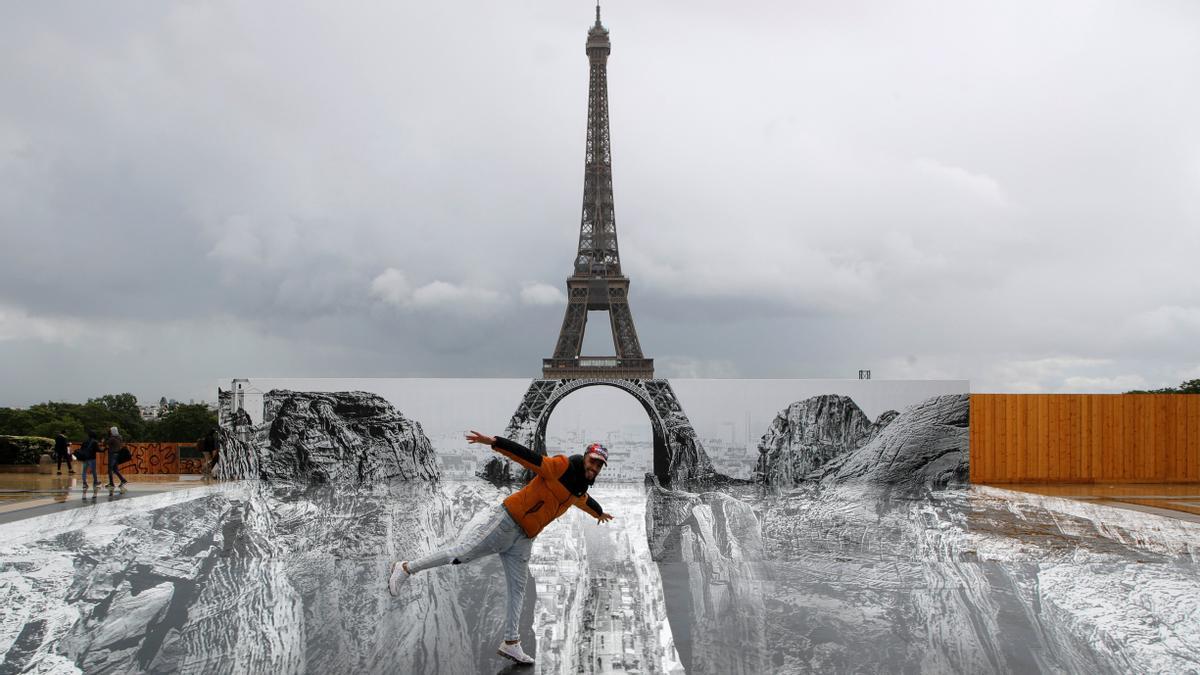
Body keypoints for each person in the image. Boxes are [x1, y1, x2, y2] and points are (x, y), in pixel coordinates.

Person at [387, 431, 614, 666]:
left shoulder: (578, 487)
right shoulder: (561, 466)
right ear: (586, 456)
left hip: (525, 539)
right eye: (593, 461)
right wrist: (495, 443)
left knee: (518, 590)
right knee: (460, 554)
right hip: (507, 522)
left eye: (599, 465)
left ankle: (511, 642)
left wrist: (599, 513)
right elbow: (528, 457)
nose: (595, 467)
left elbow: (583, 500)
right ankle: (405, 568)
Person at [105, 426, 128, 491]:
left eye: (111, 431)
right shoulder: (120, 437)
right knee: (115, 469)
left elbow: (106, 443)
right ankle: (123, 480)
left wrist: (108, 436)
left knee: (110, 470)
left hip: (112, 455)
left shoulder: (112, 438)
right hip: (118, 454)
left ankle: (111, 483)